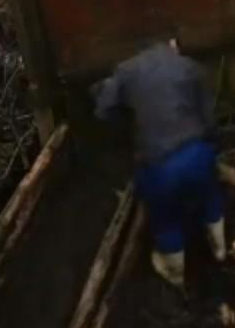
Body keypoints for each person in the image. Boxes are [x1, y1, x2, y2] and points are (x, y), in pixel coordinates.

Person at [94, 39, 225, 287]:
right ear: (172, 44)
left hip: (160, 165)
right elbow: (210, 120)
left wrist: (126, 120)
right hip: (199, 153)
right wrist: (211, 149)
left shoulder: (125, 70)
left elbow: (103, 111)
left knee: (166, 219)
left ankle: (175, 274)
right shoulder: (188, 65)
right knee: (210, 197)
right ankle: (220, 250)